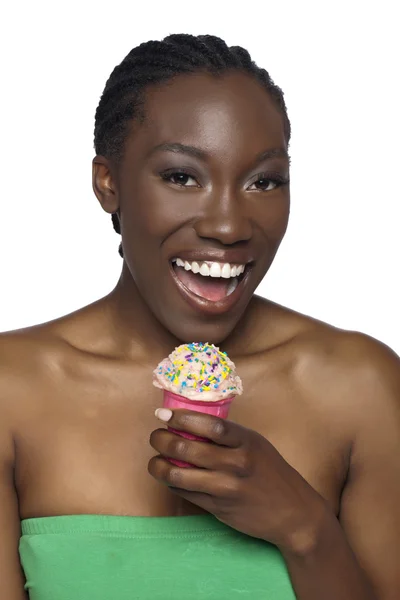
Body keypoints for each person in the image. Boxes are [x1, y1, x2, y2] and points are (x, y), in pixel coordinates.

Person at [0, 33, 399, 600]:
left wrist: (306, 530)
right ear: (107, 182)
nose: (229, 225)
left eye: (264, 181)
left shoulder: (360, 386)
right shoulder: (11, 390)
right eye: (182, 177)